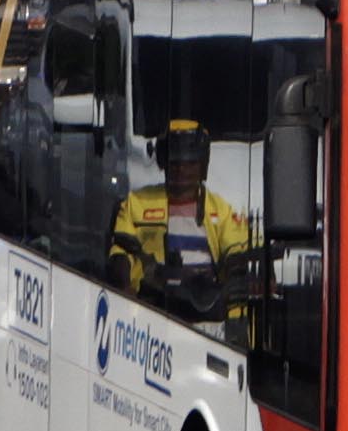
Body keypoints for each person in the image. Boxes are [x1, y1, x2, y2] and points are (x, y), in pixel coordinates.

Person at [105, 117, 256, 317]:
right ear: (163, 163)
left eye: (190, 162)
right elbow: (120, 254)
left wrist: (233, 276)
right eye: (174, 162)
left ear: (203, 166)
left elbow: (239, 249)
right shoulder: (135, 204)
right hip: (152, 309)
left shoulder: (220, 210)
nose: (181, 170)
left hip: (209, 310)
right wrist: (124, 287)